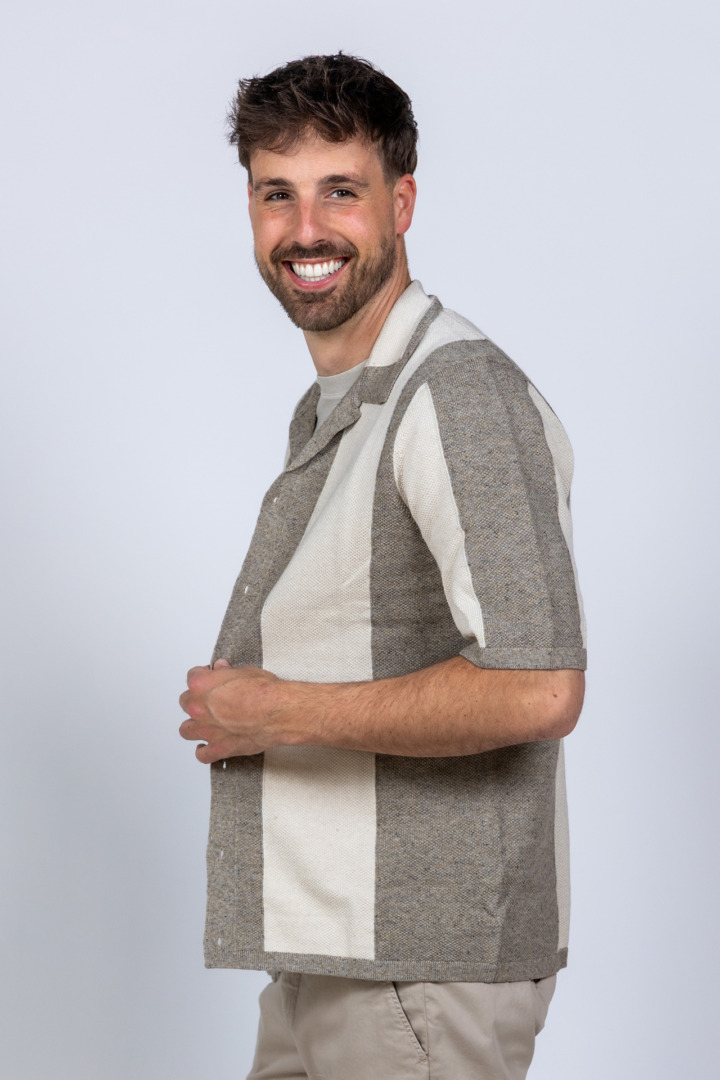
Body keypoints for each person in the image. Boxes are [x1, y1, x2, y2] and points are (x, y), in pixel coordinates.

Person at [179, 53, 586, 1080]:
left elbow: (539, 685)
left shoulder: (455, 394)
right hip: (336, 959)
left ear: (401, 203)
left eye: (340, 192)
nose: (305, 229)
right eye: (278, 194)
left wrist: (278, 712)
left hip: (419, 975)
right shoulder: (352, 399)